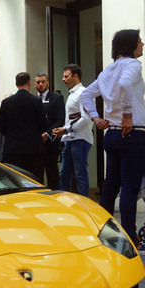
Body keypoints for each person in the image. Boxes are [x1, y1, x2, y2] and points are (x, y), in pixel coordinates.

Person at [80, 29, 145, 255]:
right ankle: (131, 240)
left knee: (110, 187)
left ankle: (104, 235)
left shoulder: (108, 70)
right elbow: (126, 85)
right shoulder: (133, 65)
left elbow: (86, 95)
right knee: (129, 188)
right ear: (132, 45)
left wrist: (96, 118)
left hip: (112, 135)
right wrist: (127, 114)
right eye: (140, 41)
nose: (143, 44)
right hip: (131, 133)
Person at [0, 72, 47, 181]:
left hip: (12, 150)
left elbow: (0, 126)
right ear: (29, 83)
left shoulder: (6, 102)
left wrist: (12, 135)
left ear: (16, 84)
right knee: (34, 181)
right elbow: (44, 125)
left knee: (14, 181)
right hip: (33, 150)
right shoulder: (36, 101)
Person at [53, 64, 93, 197]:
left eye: (66, 76)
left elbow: (87, 118)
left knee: (80, 173)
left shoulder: (83, 93)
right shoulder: (73, 94)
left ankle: (84, 207)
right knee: (65, 174)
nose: (63, 79)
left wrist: (65, 129)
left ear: (75, 76)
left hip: (80, 139)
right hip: (71, 139)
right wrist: (66, 130)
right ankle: (65, 203)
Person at [34, 73, 65, 189]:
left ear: (48, 83)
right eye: (38, 82)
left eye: (43, 81)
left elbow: (60, 120)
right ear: (34, 84)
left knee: (52, 174)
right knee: (37, 175)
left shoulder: (57, 98)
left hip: (51, 143)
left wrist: (47, 134)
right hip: (36, 144)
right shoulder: (32, 99)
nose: (40, 84)